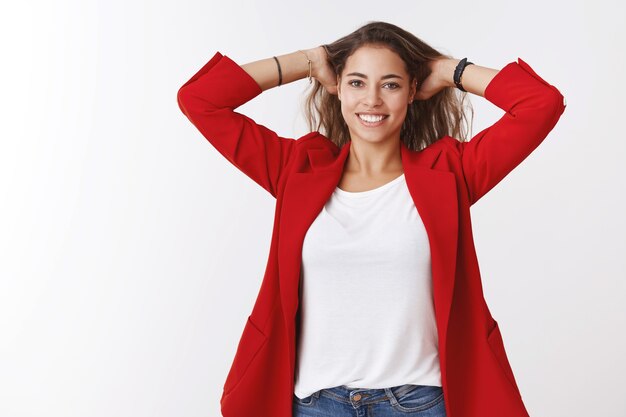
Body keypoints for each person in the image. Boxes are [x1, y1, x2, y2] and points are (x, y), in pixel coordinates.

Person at [177, 21, 566, 417]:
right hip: (314, 405)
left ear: (413, 91)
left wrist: (449, 70)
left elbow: (540, 104)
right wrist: (309, 61)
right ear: (339, 88)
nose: (373, 100)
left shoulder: (450, 175)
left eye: (391, 84)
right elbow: (201, 100)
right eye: (358, 83)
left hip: (419, 403)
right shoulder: (296, 171)